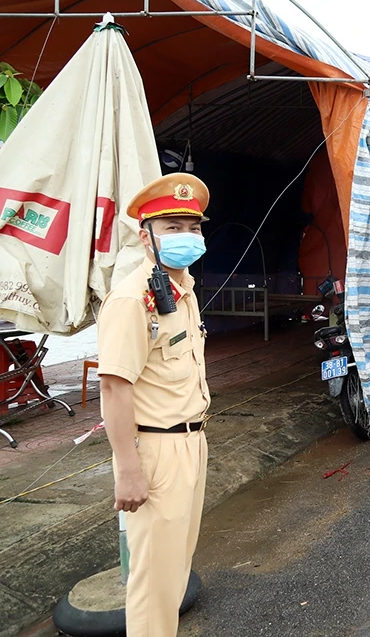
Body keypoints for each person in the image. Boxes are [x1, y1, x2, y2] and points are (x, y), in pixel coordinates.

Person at [97, 173, 211, 636]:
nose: (186, 236)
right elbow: (113, 388)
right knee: (153, 586)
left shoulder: (183, 290)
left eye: (193, 226)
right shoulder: (131, 299)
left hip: (191, 443)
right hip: (156, 452)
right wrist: (127, 468)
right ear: (146, 237)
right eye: (171, 227)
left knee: (175, 573)